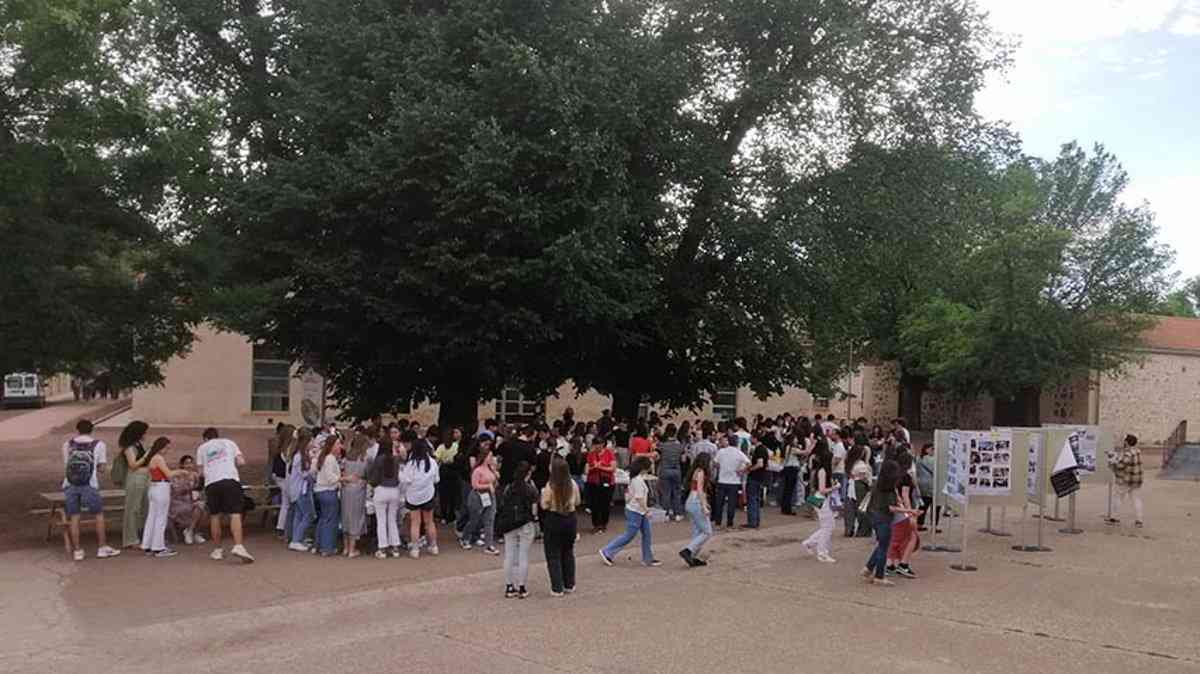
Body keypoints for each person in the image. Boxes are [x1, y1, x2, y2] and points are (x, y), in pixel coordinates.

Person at [61, 419, 121, 561]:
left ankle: (78, 551)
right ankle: (102, 547)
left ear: (77, 429)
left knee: (74, 517)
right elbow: (100, 468)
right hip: (90, 484)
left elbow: (66, 465)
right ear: (92, 429)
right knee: (98, 515)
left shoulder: (67, 444)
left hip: (70, 484)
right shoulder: (99, 445)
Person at [196, 428, 254, 563]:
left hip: (211, 483)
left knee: (215, 515)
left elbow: (201, 472)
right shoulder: (229, 443)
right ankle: (238, 546)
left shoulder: (202, 448)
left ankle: (217, 550)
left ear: (205, 439)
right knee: (235, 513)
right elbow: (241, 462)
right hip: (230, 480)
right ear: (217, 436)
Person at [863, 459, 918, 586]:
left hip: (875, 516)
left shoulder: (879, 484)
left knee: (882, 544)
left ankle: (869, 568)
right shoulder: (887, 488)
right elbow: (891, 507)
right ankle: (879, 576)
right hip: (884, 518)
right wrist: (909, 510)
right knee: (884, 547)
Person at [599, 455, 661, 568]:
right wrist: (647, 510)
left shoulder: (636, 479)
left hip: (637, 511)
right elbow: (639, 498)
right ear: (644, 468)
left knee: (646, 534)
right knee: (629, 535)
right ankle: (607, 551)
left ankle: (648, 558)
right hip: (636, 511)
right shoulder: (637, 480)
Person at [141, 437, 190, 558]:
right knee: (160, 518)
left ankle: (147, 545)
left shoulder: (151, 458)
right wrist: (181, 471)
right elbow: (169, 474)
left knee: (152, 517)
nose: (167, 450)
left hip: (153, 487)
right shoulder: (158, 458)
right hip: (161, 487)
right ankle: (158, 547)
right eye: (166, 447)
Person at [541, 457, 580, 596]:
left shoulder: (550, 486)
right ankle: (569, 584)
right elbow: (578, 501)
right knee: (568, 552)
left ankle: (557, 587)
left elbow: (544, 504)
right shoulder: (573, 484)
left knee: (553, 554)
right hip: (570, 518)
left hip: (554, 519)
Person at [500, 461, 539, 598]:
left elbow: (503, 504)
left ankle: (509, 586)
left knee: (509, 555)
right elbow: (534, 510)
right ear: (528, 473)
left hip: (509, 524)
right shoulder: (531, 489)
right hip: (525, 524)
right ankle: (522, 587)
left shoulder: (509, 488)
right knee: (523, 555)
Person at [401, 430, 440, 559]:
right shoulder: (432, 463)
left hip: (413, 497)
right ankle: (433, 546)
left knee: (415, 523)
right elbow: (436, 480)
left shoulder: (411, 464)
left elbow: (405, 480)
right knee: (429, 522)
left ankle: (415, 549)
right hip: (428, 495)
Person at [461, 438, 500, 554]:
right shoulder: (477, 470)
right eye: (490, 456)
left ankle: (489, 544)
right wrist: (487, 485)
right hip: (478, 496)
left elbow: (495, 482)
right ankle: (466, 537)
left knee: (489, 519)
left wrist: (495, 474)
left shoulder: (491, 469)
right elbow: (475, 485)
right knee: (475, 519)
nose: (492, 459)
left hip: (490, 496)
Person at [800, 439, 837, 563]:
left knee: (828, 525)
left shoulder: (822, 471)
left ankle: (810, 543)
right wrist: (834, 488)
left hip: (819, 498)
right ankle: (821, 552)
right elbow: (822, 490)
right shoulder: (822, 471)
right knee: (827, 526)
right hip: (820, 498)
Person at [886, 452, 920, 578]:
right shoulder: (906, 477)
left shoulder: (891, 475)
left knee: (894, 538)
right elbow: (905, 495)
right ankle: (903, 564)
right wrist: (910, 511)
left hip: (892, 511)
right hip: (902, 512)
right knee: (912, 537)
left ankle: (891, 564)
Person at [119, 420, 152, 549]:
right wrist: (147, 455)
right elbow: (133, 465)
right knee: (133, 508)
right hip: (135, 477)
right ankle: (130, 539)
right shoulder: (129, 447)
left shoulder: (139, 444)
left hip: (145, 476)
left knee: (145, 507)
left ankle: (142, 534)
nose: (146, 434)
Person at [368, 437, 403, 558]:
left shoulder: (378, 460)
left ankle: (382, 548)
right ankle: (395, 548)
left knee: (381, 521)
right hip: (394, 491)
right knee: (392, 519)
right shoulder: (396, 459)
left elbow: (373, 478)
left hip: (381, 490)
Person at [679, 452, 713, 567]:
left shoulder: (695, 471)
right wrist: (704, 506)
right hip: (696, 502)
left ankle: (692, 556)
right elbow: (700, 491)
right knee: (707, 532)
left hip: (690, 502)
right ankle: (689, 551)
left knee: (697, 531)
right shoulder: (701, 472)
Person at [313, 434, 343, 557]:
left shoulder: (324, 457)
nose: (340, 446)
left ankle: (319, 545)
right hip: (328, 491)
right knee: (330, 520)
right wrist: (343, 478)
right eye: (337, 444)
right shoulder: (330, 458)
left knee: (324, 519)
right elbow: (331, 478)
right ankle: (327, 547)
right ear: (331, 446)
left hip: (321, 491)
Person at [340, 433, 370, 558]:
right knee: (355, 519)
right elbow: (367, 474)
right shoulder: (365, 458)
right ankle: (352, 549)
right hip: (358, 489)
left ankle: (346, 548)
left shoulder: (347, 457)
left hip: (346, 489)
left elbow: (342, 471)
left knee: (345, 517)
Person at [286, 427, 316, 550]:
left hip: (297, 490)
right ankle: (296, 540)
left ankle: (296, 539)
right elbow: (305, 474)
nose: (313, 442)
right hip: (301, 490)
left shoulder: (298, 455)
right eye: (311, 440)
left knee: (299, 515)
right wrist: (313, 467)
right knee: (309, 515)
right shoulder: (300, 457)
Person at [1107, 434, 1145, 528]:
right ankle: (1139, 520)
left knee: (1118, 498)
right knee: (1136, 499)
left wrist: (1112, 462)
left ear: (1127, 442)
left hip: (1126, 480)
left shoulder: (1128, 453)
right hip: (1136, 480)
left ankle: (1114, 518)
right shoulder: (1137, 451)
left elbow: (1121, 465)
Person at [713, 435, 749, 529]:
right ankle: (729, 524)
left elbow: (715, 463)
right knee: (731, 504)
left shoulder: (721, 451)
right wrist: (742, 471)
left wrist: (721, 467)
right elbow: (748, 463)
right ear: (737, 443)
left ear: (728, 441)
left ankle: (718, 523)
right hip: (734, 481)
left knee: (719, 503)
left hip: (722, 480)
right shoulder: (739, 453)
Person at [168, 455, 206, 545]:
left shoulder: (195, 475)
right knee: (194, 508)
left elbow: (198, 489)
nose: (189, 465)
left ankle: (191, 531)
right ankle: (191, 532)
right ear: (182, 465)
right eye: (187, 463)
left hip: (190, 500)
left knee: (202, 506)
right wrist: (188, 486)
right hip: (177, 502)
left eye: (191, 463)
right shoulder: (177, 475)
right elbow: (176, 491)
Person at [585, 436, 616, 533]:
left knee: (605, 504)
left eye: (598, 444)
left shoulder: (609, 453)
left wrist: (601, 467)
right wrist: (594, 467)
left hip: (606, 482)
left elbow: (613, 468)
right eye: (595, 444)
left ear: (603, 444)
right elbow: (586, 470)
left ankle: (603, 524)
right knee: (594, 504)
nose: (596, 446)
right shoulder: (591, 454)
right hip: (593, 482)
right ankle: (595, 524)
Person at [657, 424, 685, 522]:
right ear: (675, 433)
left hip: (665, 470)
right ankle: (677, 514)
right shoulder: (680, 446)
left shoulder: (662, 446)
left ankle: (666, 514)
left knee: (666, 493)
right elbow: (683, 460)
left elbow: (657, 456)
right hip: (676, 470)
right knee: (677, 493)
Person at [844, 443, 872, 537]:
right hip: (860, 486)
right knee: (862, 508)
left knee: (850, 509)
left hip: (851, 486)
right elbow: (865, 477)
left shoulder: (849, 463)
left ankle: (849, 529)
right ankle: (863, 531)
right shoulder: (861, 465)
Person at [435, 427, 461, 525]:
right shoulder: (456, 446)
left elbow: (437, 459)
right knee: (452, 495)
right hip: (453, 471)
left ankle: (444, 516)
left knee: (443, 495)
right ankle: (451, 516)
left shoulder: (441, 447)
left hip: (443, 471)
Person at [743, 432, 770, 529]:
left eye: (751, 438)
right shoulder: (764, 449)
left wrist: (749, 469)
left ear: (755, 438)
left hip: (754, 477)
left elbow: (760, 464)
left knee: (752, 499)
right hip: (760, 477)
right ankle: (756, 521)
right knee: (757, 499)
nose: (750, 440)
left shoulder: (759, 449)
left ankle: (752, 522)